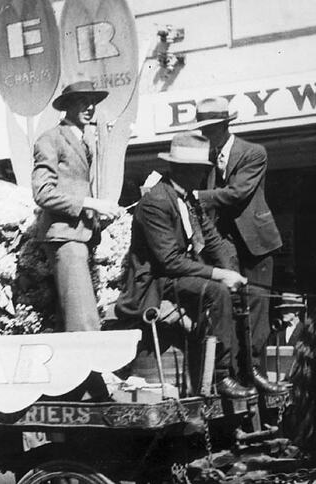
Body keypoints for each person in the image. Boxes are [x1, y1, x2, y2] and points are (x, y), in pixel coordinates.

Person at [115, 132, 257, 399]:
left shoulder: (189, 199)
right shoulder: (156, 202)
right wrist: (218, 274)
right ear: (180, 169)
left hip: (180, 274)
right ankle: (220, 376)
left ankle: (247, 369)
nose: (202, 176)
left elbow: (213, 241)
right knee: (217, 292)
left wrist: (233, 272)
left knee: (240, 292)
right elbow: (168, 261)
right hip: (157, 283)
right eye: (197, 170)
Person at [190, 96, 285, 393]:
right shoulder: (205, 158)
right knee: (229, 305)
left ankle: (254, 370)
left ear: (223, 125)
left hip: (256, 243)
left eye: (210, 128)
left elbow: (236, 193)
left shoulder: (253, 153)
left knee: (257, 307)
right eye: (203, 129)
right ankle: (230, 373)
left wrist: (193, 196)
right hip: (223, 244)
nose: (205, 135)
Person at [32, 80, 122, 332]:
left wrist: (97, 215)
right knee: (83, 319)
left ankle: (84, 370)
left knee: (73, 314)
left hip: (80, 237)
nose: (90, 107)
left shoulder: (83, 140)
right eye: (82, 101)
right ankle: (95, 369)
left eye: (93, 102)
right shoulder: (50, 139)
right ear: (67, 106)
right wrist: (90, 203)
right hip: (64, 238)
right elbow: (42, 193)